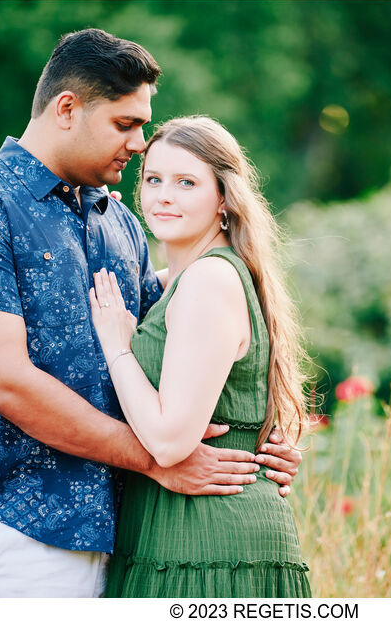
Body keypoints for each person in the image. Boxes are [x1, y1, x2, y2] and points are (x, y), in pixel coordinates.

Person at [0, 29, 302, 598]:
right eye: (125, 124)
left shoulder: (115, 220)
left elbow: (174, 339)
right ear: (66, 109)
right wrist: (157, 460)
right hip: (23, 531)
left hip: (136, 535)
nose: (141, 143)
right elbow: (7, 385)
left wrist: (261, 439)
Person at [90, 116, 311, 597]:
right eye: (153, 179)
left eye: (186, 182)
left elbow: (170, 443)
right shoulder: (180, 285)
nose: (163, 195)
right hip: (170, 531)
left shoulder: (210, 282)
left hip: (209, 543)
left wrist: (117, 347)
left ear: (224, 200)